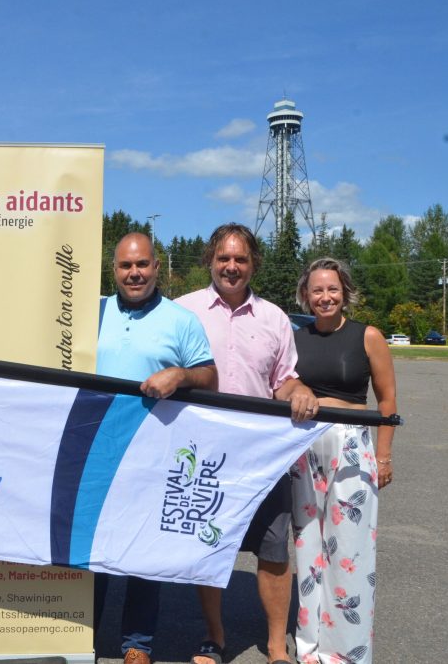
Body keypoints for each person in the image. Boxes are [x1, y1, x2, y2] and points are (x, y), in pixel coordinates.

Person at [175, 224, 319, 664]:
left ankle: (276, 645)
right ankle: (214, 638)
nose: (231, 266)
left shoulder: (274, 318)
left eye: (240, 258)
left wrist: (299, 390)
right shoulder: (183, 312)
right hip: (203, 453)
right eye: (224, 258)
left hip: (262, 455)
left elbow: (283, 380)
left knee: (274, 549)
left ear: (254, 263)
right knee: (208, 547)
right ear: (210, 260)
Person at [95, 232, 218, 664]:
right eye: (126, 265)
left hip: (153, 453)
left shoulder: (180, 320)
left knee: (143, 551)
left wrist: (180, 375)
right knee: (90, 546)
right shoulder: (91, 312)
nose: (135, 273)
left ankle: (137, 643)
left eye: (142, 264)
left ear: (157, 267)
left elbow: (210, 377)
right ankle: (82, 637)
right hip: (95, 449)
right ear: (114, 269)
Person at [290, 258, 397, 664]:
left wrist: (383, 456)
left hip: (352, 446)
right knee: (308, 547)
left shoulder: (367, 336)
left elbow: (387, 400)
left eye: (332, 289)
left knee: (350, 551)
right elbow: (283, 383)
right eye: (317, 290)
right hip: (305, 448)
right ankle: (310, 645)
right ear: (306, 295)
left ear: (345, 292)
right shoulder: (296, 339)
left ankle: (346, 651)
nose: (325, 297)